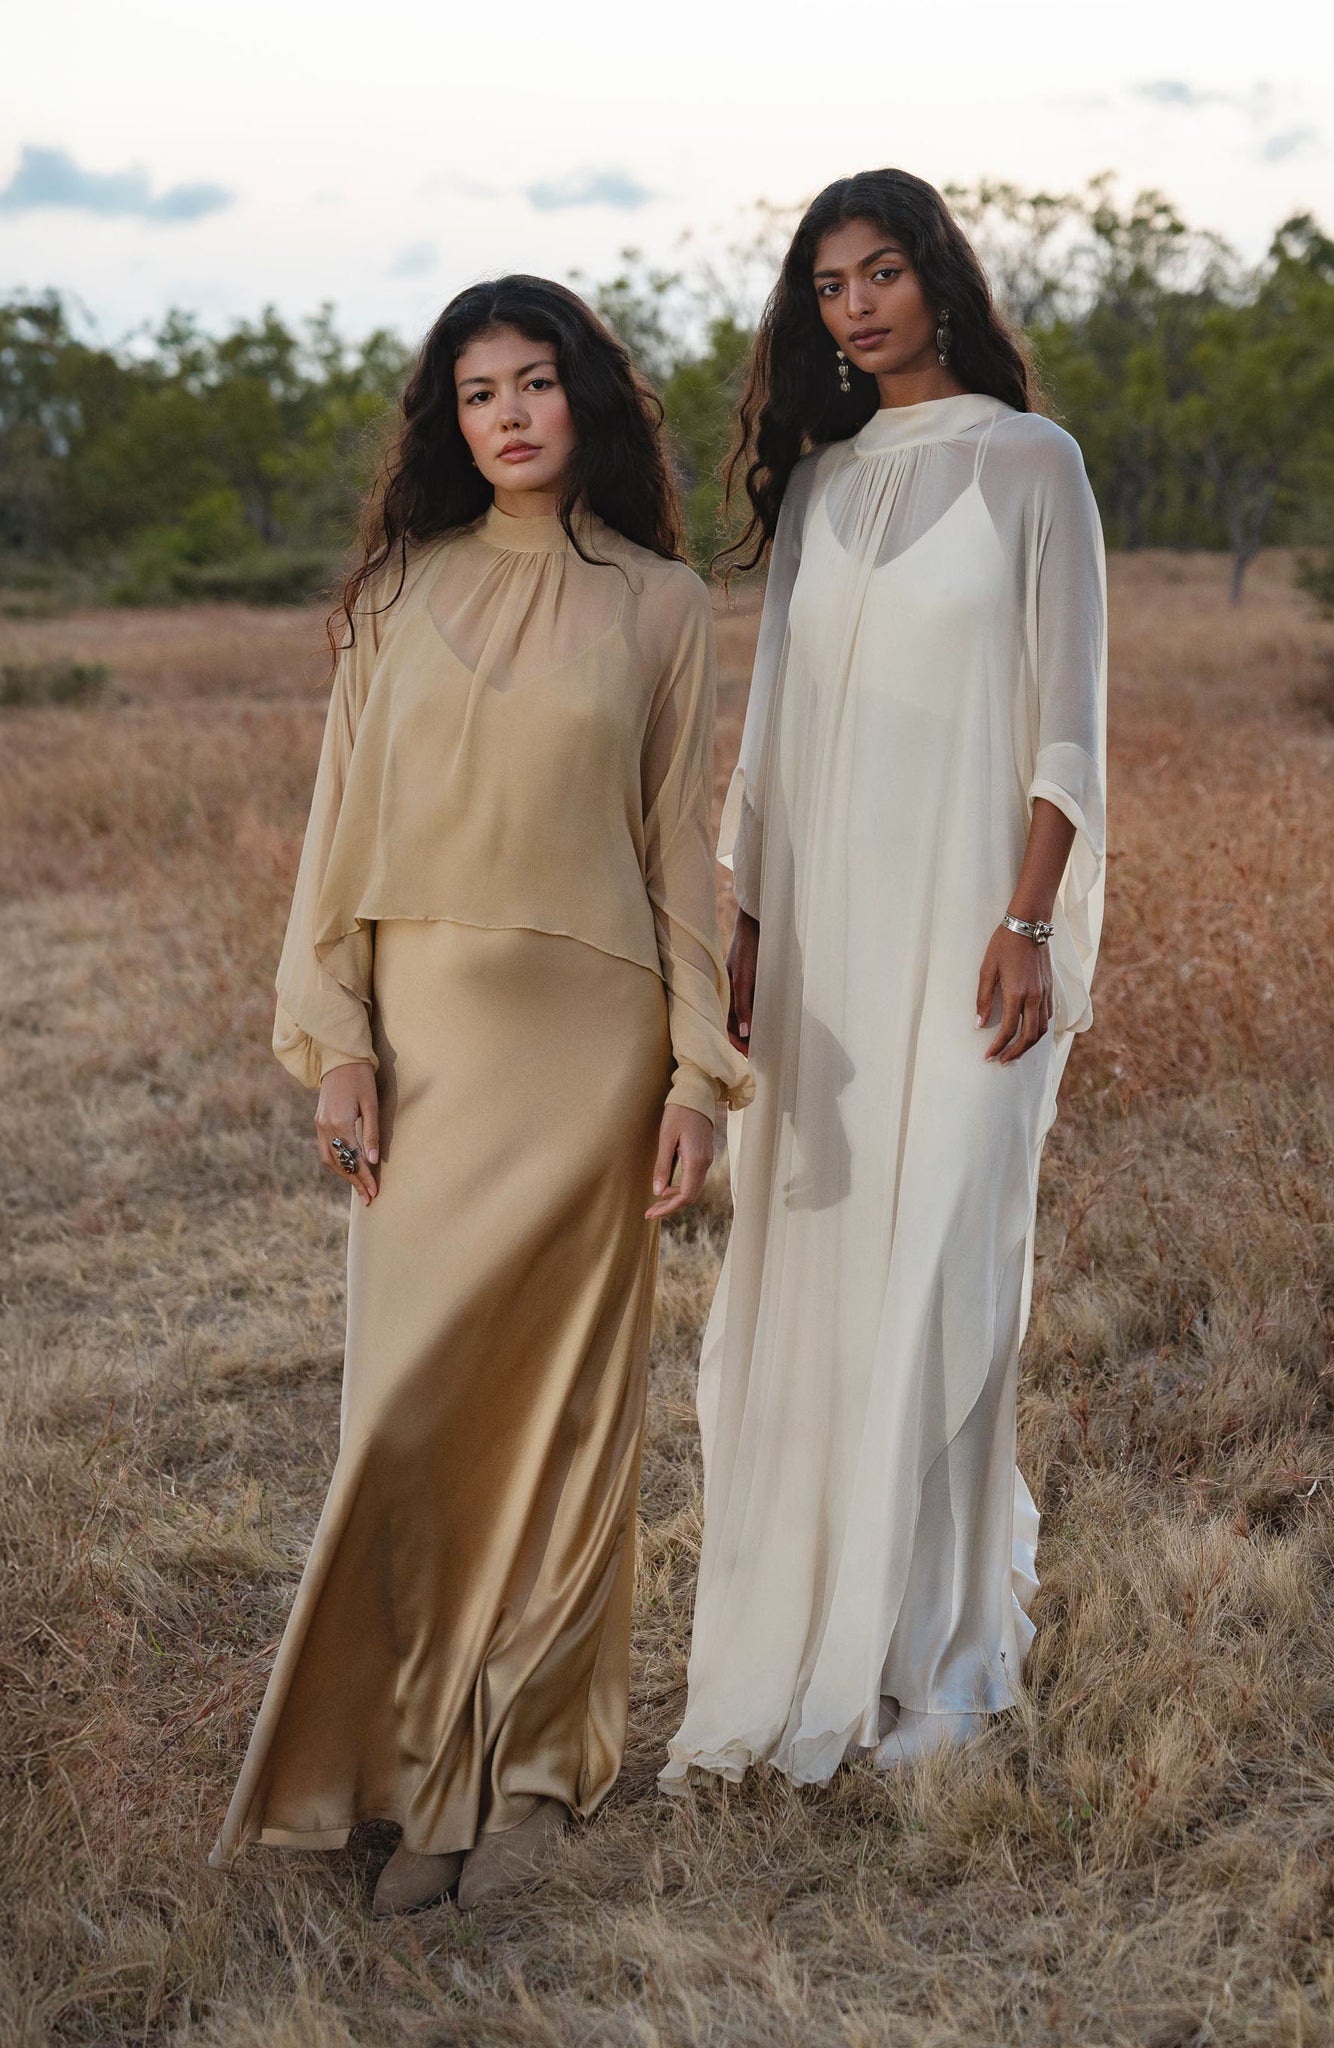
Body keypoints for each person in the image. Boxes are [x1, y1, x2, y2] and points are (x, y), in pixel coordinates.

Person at [208, 276, 751, 1913]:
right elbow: (333, 843)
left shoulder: (663, 605)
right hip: (430, 1049)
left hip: (592, 1053)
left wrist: (697, 1076)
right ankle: (386, 1764)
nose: (509, 415)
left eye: (535, 382)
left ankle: (512, 1779)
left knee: (564, 1425)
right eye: (475, 394)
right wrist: (346, 1042)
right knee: (410, 1411)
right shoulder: (390, 597)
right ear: (449, 424)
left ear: (585, 394)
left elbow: (677, 854)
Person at [662, 170, 1106, 1789]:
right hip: (828, 939)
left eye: (884, 272)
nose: (856, 305)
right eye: (828, 284)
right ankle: (825, 1630)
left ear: (939, 281)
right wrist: (750, 925)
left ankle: (948, 1661)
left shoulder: (1029, 461)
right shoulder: (828, 485)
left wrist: (1031, 920)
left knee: (950, 1259)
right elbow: (770, 732)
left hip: (972, 929)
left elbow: (1070, 719)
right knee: (836, 1267)